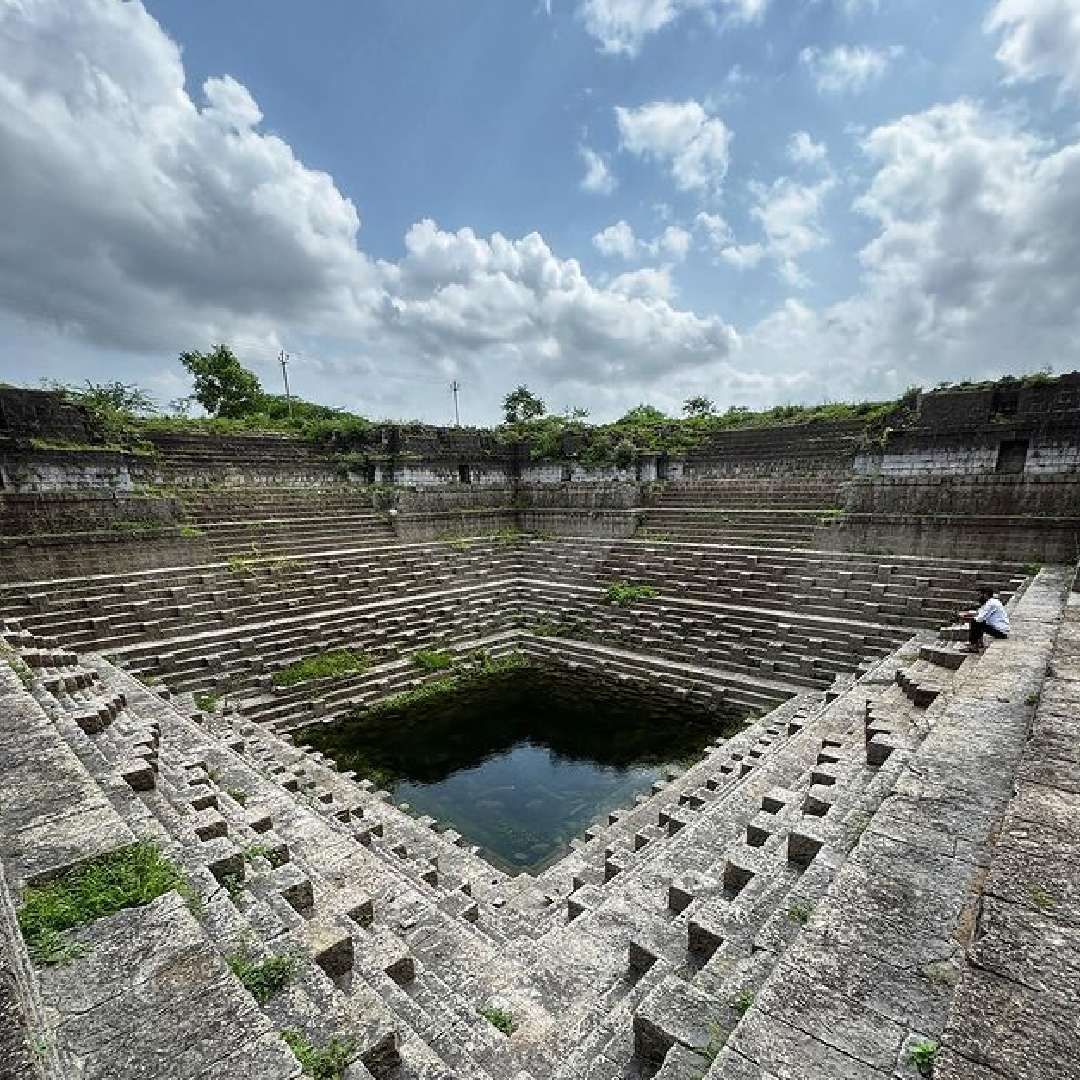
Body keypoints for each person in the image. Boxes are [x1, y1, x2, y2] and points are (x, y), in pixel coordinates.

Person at [960, 587, 1010, 652]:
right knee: (978, 621)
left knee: (975, 622)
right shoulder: (991, 602)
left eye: (979, 595)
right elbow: (979, 612)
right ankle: (979, 643)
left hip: (1000, 632)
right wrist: (967, 613)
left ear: (985, 595)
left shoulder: (991, 603)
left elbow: (979, 618)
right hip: (1001, 630)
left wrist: (966, 617)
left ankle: (974, 646)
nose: (978, 597)